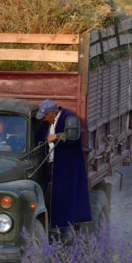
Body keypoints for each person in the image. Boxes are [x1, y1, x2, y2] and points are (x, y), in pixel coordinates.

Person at [35, 99, 92, 234]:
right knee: (50, 198)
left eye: (45, 115)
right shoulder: (46, 123)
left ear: (53, 113)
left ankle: (65, 233)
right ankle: (51, 229)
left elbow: (73, 138)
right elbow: (39, 138)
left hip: (66, 168)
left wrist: (58, 136)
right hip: (51, 166)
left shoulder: (69, 119)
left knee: (64, 200)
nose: (43, 119)